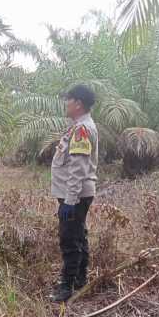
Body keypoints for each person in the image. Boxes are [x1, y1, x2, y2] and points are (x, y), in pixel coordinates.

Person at [50, 85, 99, 302]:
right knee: (79, 235)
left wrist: (70, 201)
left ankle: (67, 287)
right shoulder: (79, 126)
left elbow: (78, 169)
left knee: (69, 239)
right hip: (77, 194)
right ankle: (79, 279)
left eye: (68, 100)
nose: (65, 104)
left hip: (75, 195)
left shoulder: (81, 129)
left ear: (78, 103)